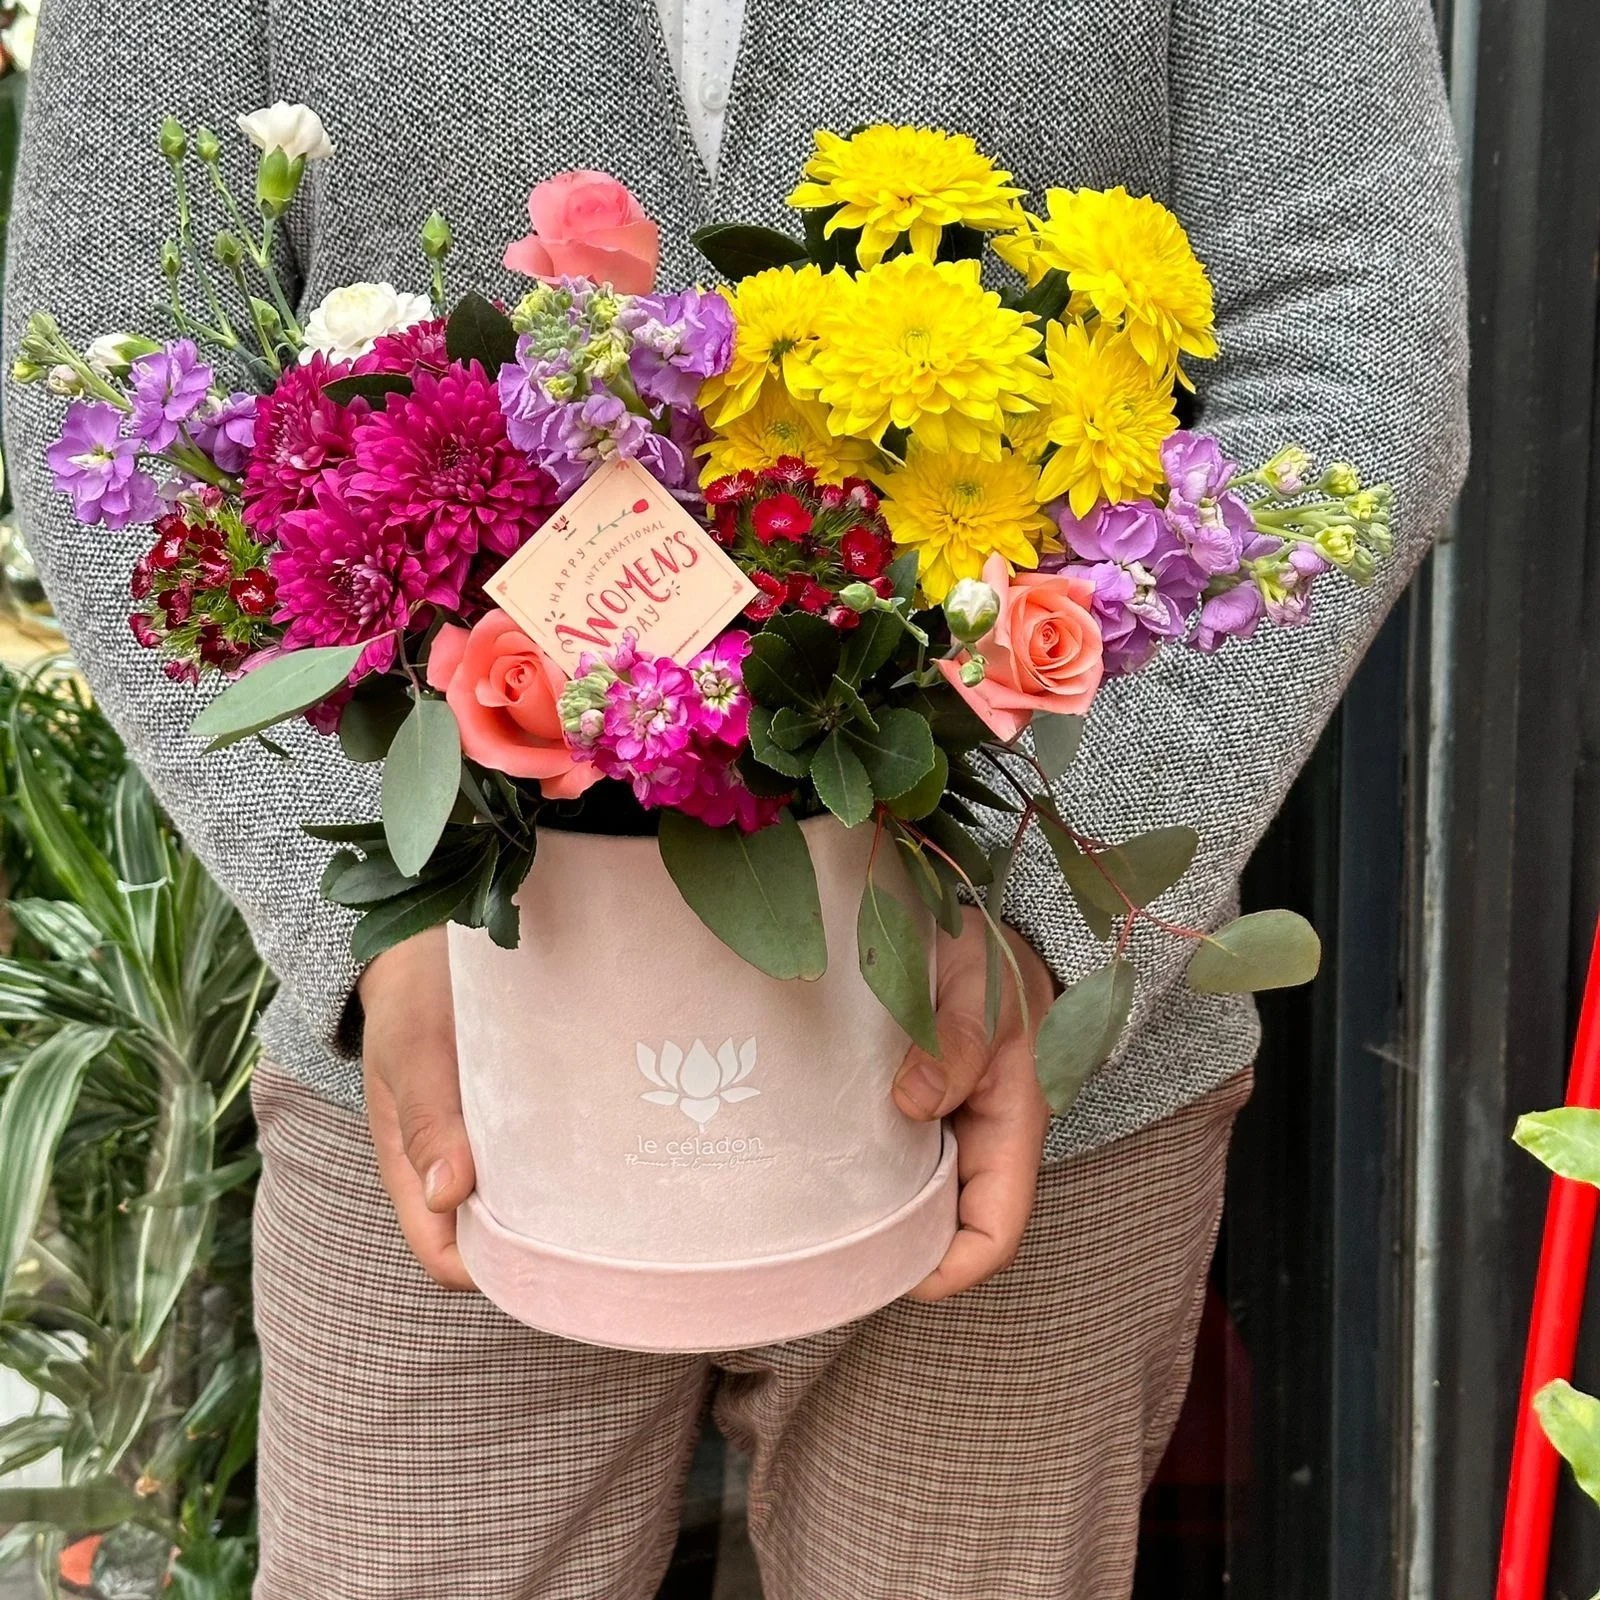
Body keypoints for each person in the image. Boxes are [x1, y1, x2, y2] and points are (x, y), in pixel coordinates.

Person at [3, 0, 1468, 1593]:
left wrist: (1047, 911)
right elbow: (113, 388)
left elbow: (1354, 341)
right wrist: (375, 918)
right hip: (451, 1067)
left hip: (1012, 1091)